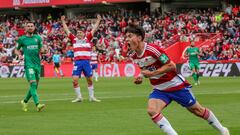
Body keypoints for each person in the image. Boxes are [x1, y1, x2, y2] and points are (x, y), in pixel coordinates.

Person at [125, 25, 229, 135]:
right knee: (152, 110)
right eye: (126, 36)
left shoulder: (153, 50)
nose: (127, 39)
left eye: (130, 36)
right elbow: (145, 68)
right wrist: (141, 76)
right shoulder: (132, 55)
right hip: (159, 89)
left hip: (175, 85)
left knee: (197, 110)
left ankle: (223, 130)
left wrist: (152, 73)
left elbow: (171, 66)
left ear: (140, 38)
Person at [61, 15, 101, 102]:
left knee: (89, 80)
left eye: (80, 33)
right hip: (77, 63)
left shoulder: (88, 38)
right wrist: (63, 21)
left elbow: (94, 29)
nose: (79, 34)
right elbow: (66, 30)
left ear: (84, 33)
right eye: (78, 33)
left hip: (86, 62)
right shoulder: (73, 39)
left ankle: (92, 97)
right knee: (74, 80)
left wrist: (98, 20)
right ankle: (79, 97)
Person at [15, 21, 45, 112]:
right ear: (25, 28)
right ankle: (38, 104)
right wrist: (19, 55)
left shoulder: (38, 38)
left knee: (34, 87)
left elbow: (41, 49)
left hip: (37, 65)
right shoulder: (22, 39)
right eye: (28, 26)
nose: (30, 27)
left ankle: (24, 101)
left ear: (34, 28)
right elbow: (16, 50)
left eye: (32, 26)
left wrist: (44, 51)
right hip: (29, 65)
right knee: (33, 84)